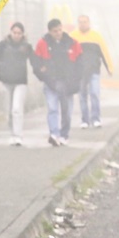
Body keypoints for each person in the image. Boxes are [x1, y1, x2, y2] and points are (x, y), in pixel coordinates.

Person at [32, 18, 82, 146]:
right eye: (55, 31)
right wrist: (42, 75)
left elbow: (80, 63)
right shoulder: (42, 43)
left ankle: (64, 134)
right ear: (49, 31)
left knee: (67, 111)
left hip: (68, 84)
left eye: (60, 30)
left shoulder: (72, 43)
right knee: (53, 108)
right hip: (51, 83)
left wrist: (77, 79)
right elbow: (36, 62)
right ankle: (54, 134)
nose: (58, 33)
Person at [0, 22, 33, 146]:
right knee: (9, 109)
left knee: (17, 109)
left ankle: (18, 135)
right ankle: (12, 133)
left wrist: (42, 70)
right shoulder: (3, 45)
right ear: (11, 32)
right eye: (14, 32)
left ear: (23, 34)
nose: (17, 35)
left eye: (19, 33)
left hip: (21, 81)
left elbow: (35, 60)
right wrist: (1, 69)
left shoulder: (26, 46)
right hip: (6, 81)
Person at [72, 14, 114, 128]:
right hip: (79, 72)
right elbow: (68, 55)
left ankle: (96, 118)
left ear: (89, 23)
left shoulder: (96, 37)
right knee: (82, 96)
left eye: (85, 22)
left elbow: (104, 52)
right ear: (78, 23)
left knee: (94, 93)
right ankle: (85, 120)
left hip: (94, 70)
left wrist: (109, 67)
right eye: (80, 22)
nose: (83, 24)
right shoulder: (73, 37)